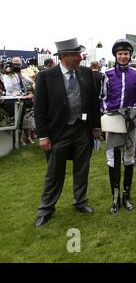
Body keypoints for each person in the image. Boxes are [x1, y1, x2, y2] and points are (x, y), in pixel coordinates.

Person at [33, 38, 101, 227]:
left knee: (82, 168)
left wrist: (95, 127)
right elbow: (39, 110)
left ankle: (80, 201)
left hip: (82, 129)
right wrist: (43, 136)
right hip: (58, 133)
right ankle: (46, 209)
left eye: (80, 54)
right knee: (54, 172)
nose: (80, 57)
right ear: (63, 57)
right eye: (76, 55)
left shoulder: (86, 73)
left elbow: (93, 102)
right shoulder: (46, 77)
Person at [101, 39, 136, 214]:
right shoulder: (107, 74)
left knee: (129, 157)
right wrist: (110, 112)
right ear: (116, 55)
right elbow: (102, 98)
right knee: (112, 157)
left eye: (126, 53)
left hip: (130, 120)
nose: (123, 56)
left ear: (130, 55)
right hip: (113, 120)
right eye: (120, 54)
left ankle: (126, 196)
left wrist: (134, 110)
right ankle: (115, 197)